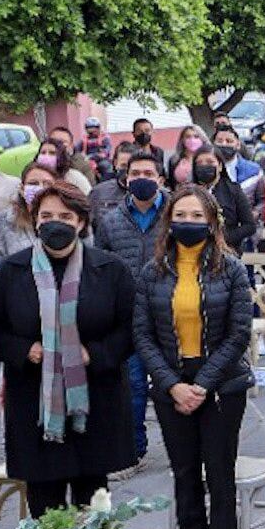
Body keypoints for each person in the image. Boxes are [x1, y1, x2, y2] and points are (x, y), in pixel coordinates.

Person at [131, 185, 254, 529]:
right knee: (185, 478)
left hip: (220, 385)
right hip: (171, 386)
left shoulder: (232, 270)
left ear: (212, 223)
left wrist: (203, 383)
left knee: (219, 480)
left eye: (197, 216)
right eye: (181, 214)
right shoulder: (152, 273)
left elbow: (239, 333)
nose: (189, 222)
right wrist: (172, 384)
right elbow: (143, 336)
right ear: (170, 220)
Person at [0, 181, 137, 514]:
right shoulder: (10, 272)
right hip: (35, 408)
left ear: (81, 222)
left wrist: (94, 354)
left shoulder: (110, 270)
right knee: (45, 514)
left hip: (95, 404)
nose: (56, 222)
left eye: (65, 216)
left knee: (93, 511)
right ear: (34, 220)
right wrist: (24, 350)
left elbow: (131, 329)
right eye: (46, 215)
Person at [92, 151, 172, 468]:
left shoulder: (175, 215)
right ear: (125, 179)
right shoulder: (111, 222)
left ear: (160, 180)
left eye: (149, 174)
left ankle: (183, 452)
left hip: (168, 313)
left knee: (171, 383)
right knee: (134, 385)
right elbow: (100, 269)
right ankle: (133, 451)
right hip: (129, 315)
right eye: (136, 173)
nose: (142, 179)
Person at [0, 161, 57, 270]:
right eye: (33, 183)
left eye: (47, 184)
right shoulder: (3, 223)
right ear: (22, 189)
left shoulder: (67, 219)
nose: (40, 188)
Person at [189, 146, 259, 253]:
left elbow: (249, 226)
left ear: (220, 166)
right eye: (199, 163)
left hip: (226, 250)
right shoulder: (188, 192)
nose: (204, 166)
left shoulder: (233, 190)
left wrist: (223, 238)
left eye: (210, 162)